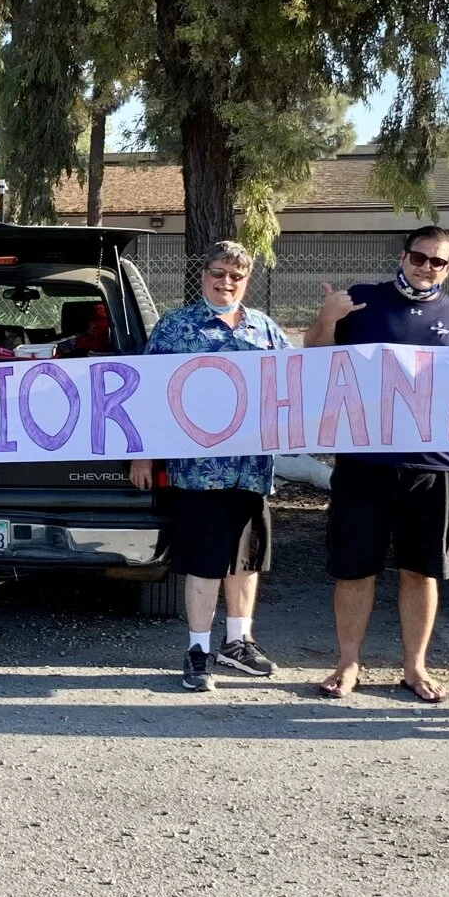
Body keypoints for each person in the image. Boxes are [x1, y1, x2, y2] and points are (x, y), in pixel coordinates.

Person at [306, 226, 449, 702]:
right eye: (419, 256)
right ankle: (347, 664)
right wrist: (327, 320)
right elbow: (314, 364)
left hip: (433, 466)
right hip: (364, 463)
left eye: (438, 261)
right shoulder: (360, 301)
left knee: (422, 570)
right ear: (403, 254)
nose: (426, 267)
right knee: (354, 569)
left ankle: (415, 666)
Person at [130, 241, 289, 691]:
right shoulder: (176, 327)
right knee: (204, 564)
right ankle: (198, 649)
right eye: (219, 273)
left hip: (251, 468)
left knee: (245, 560)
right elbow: (147, 392)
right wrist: (144, 452)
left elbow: (295, 382)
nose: (226, 282)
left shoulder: (264, 328)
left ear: (247, 279)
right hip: (199, 470)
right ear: (203, 275)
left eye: (236, 276)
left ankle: (238, 642)